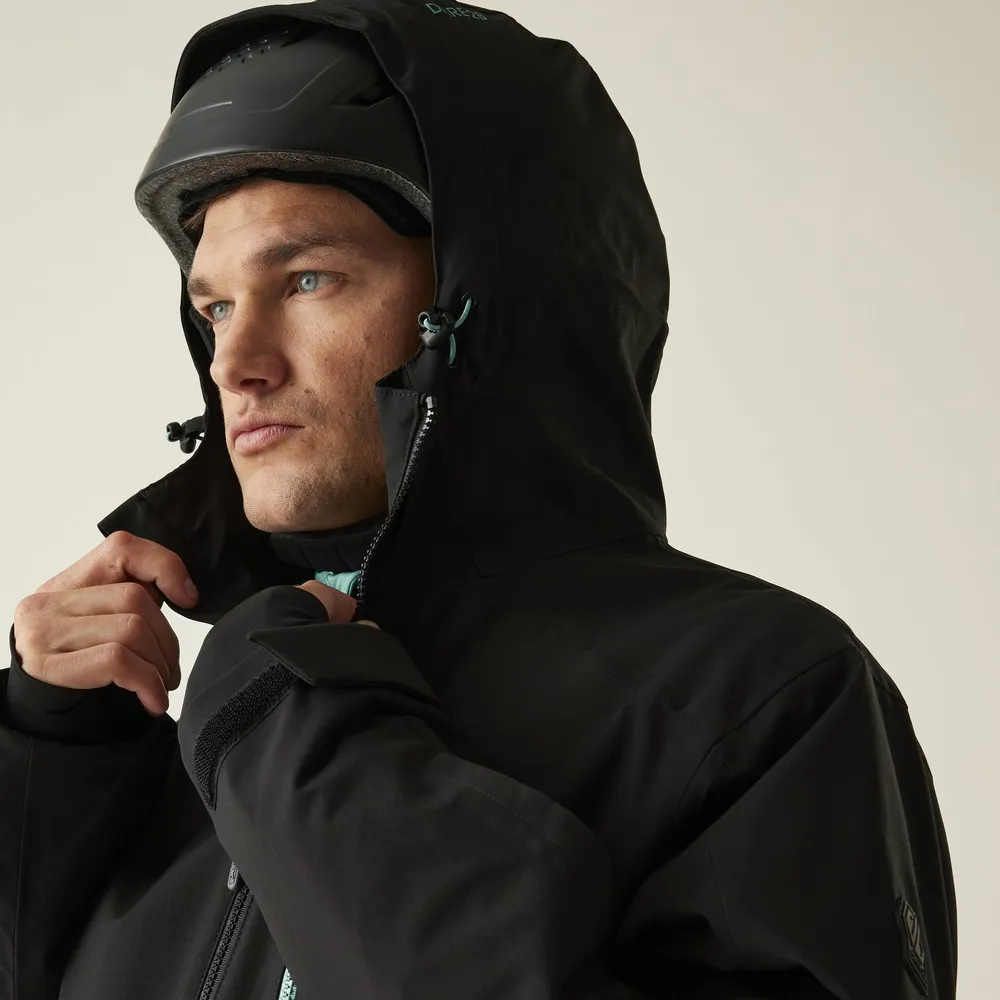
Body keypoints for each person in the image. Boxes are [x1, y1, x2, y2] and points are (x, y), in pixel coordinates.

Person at [0, 2, 957, 998]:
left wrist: (300, 753)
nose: (234, 363)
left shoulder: (762, 698)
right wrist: (52, 766)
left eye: (310, 278)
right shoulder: (202, 717)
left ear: (489, 300)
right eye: (216, 306)